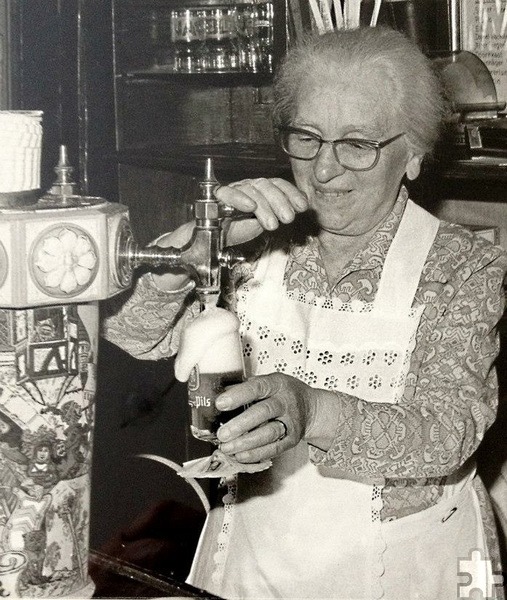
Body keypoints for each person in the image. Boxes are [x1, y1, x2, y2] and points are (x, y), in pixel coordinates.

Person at [103, 26, 507, 600]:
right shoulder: (253, 239)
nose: (324, 170)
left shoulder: (463, 267)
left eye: (357, 144)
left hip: (405, 568)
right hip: (254, 557)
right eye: (308, 138)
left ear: (413, 154)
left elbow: (447, 431)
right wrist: (184, 258)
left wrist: (313, 409)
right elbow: (134, 338)